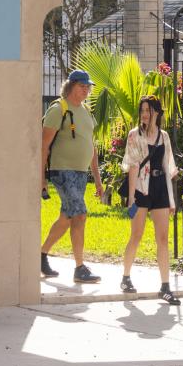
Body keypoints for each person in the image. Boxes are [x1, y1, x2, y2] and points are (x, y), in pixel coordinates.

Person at [40, 70, 104, 283]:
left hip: (80, 172)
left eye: (88, 87)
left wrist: (97, 178)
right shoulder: (59, 109)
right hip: (62, 170)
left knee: (67, 217)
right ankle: (79, 268)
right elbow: (44, 146)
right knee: (80, 214)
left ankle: (40, 256)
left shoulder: (86, 111)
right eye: (82, 86)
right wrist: (41, 178)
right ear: (71, 86)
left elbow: (91, 147)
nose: (86, 90)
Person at [120, 95, 181, 305]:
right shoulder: (134, 135)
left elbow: (168, 167)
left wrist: (171, 201)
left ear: (157, 112)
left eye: (148, 110)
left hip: (160, 188)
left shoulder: (164, 136)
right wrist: (131, 198)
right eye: (142, 110)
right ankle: (126, 277)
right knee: (136, 235)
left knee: (162, 239)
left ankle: (165, 287)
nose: (145, 114)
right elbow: (133, 167)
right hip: (140, 189)